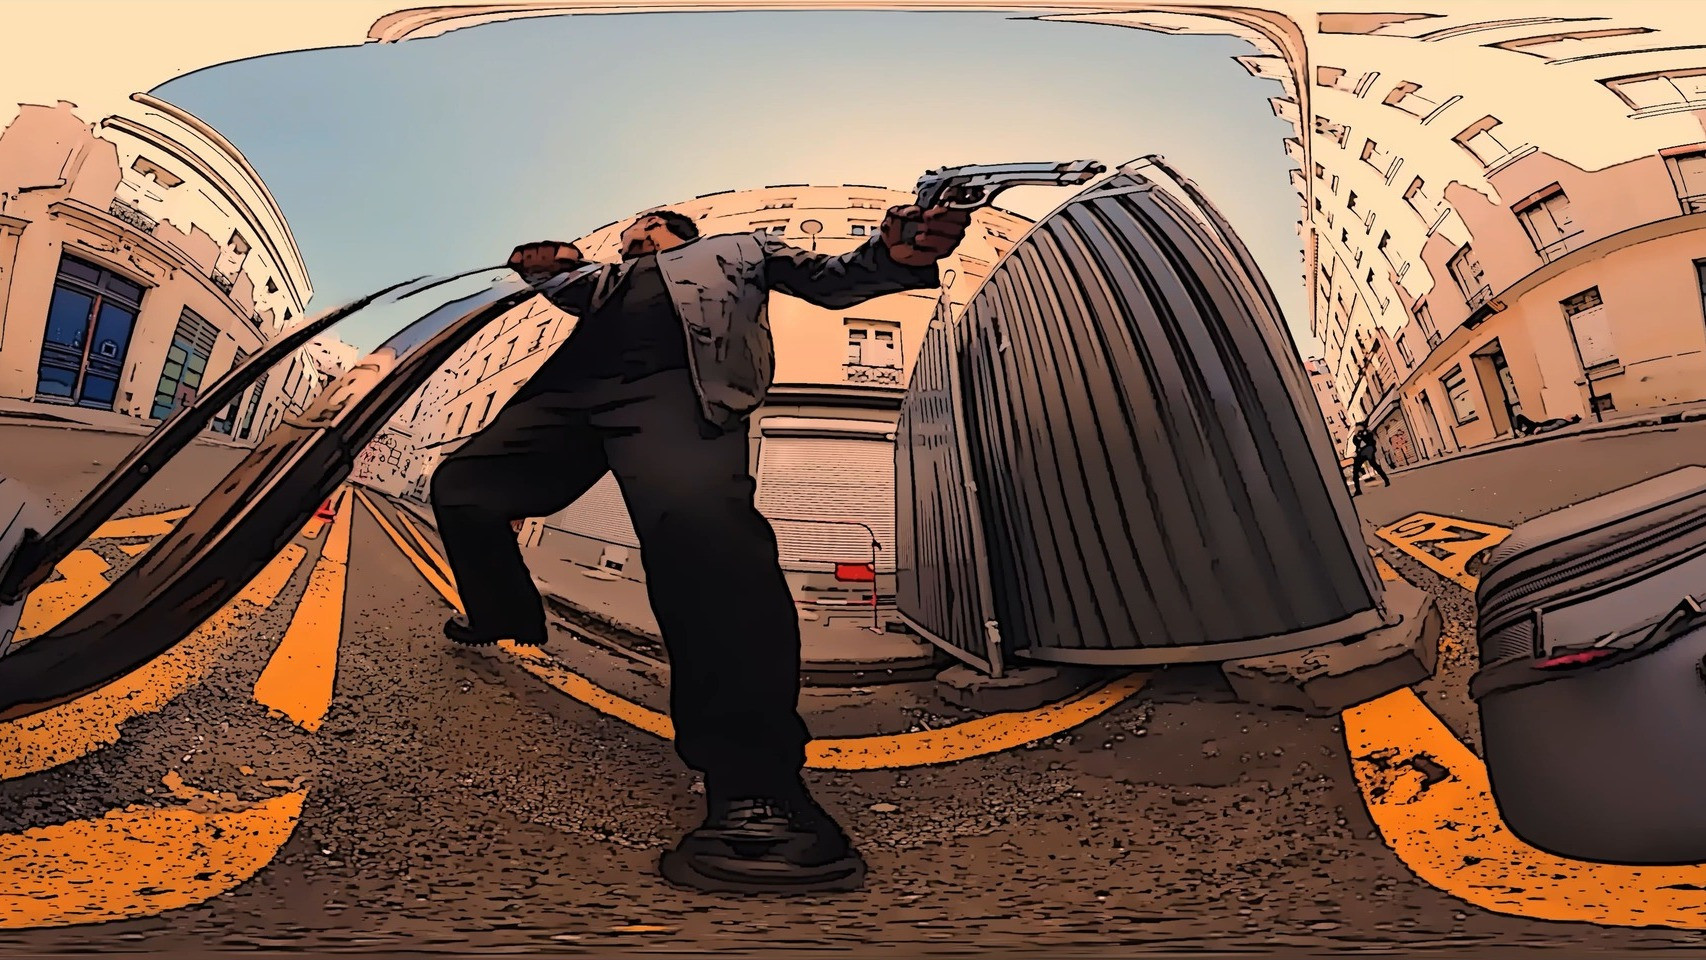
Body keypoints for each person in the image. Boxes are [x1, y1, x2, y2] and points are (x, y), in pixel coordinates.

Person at [429, 202, 969, 894]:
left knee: (702, 538)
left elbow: (831, 278)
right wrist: (548, 267)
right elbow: (564, 286)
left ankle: (758, 788)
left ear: (681, 234)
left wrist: (894, 257)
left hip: (677, 393)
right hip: (568, 396)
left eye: (644, 233)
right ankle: (501, 615)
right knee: (462, 489)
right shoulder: (603, 280)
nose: (632, 243)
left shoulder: (736, 250)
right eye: (626, 239)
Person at [1349, 420, 1388, 495]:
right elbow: (1355, 442)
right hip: (1361, 453)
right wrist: (1359, 437)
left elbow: (1372, 442)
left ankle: (1386, 480)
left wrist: (1363, 436)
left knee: (1374, 465)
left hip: (1368, 451)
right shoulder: (1355, 437)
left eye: (1360, 429)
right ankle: (1358, 490)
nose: (1359, 431)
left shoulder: (1368, 433)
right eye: (1357, 430)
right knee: (1356, 470)